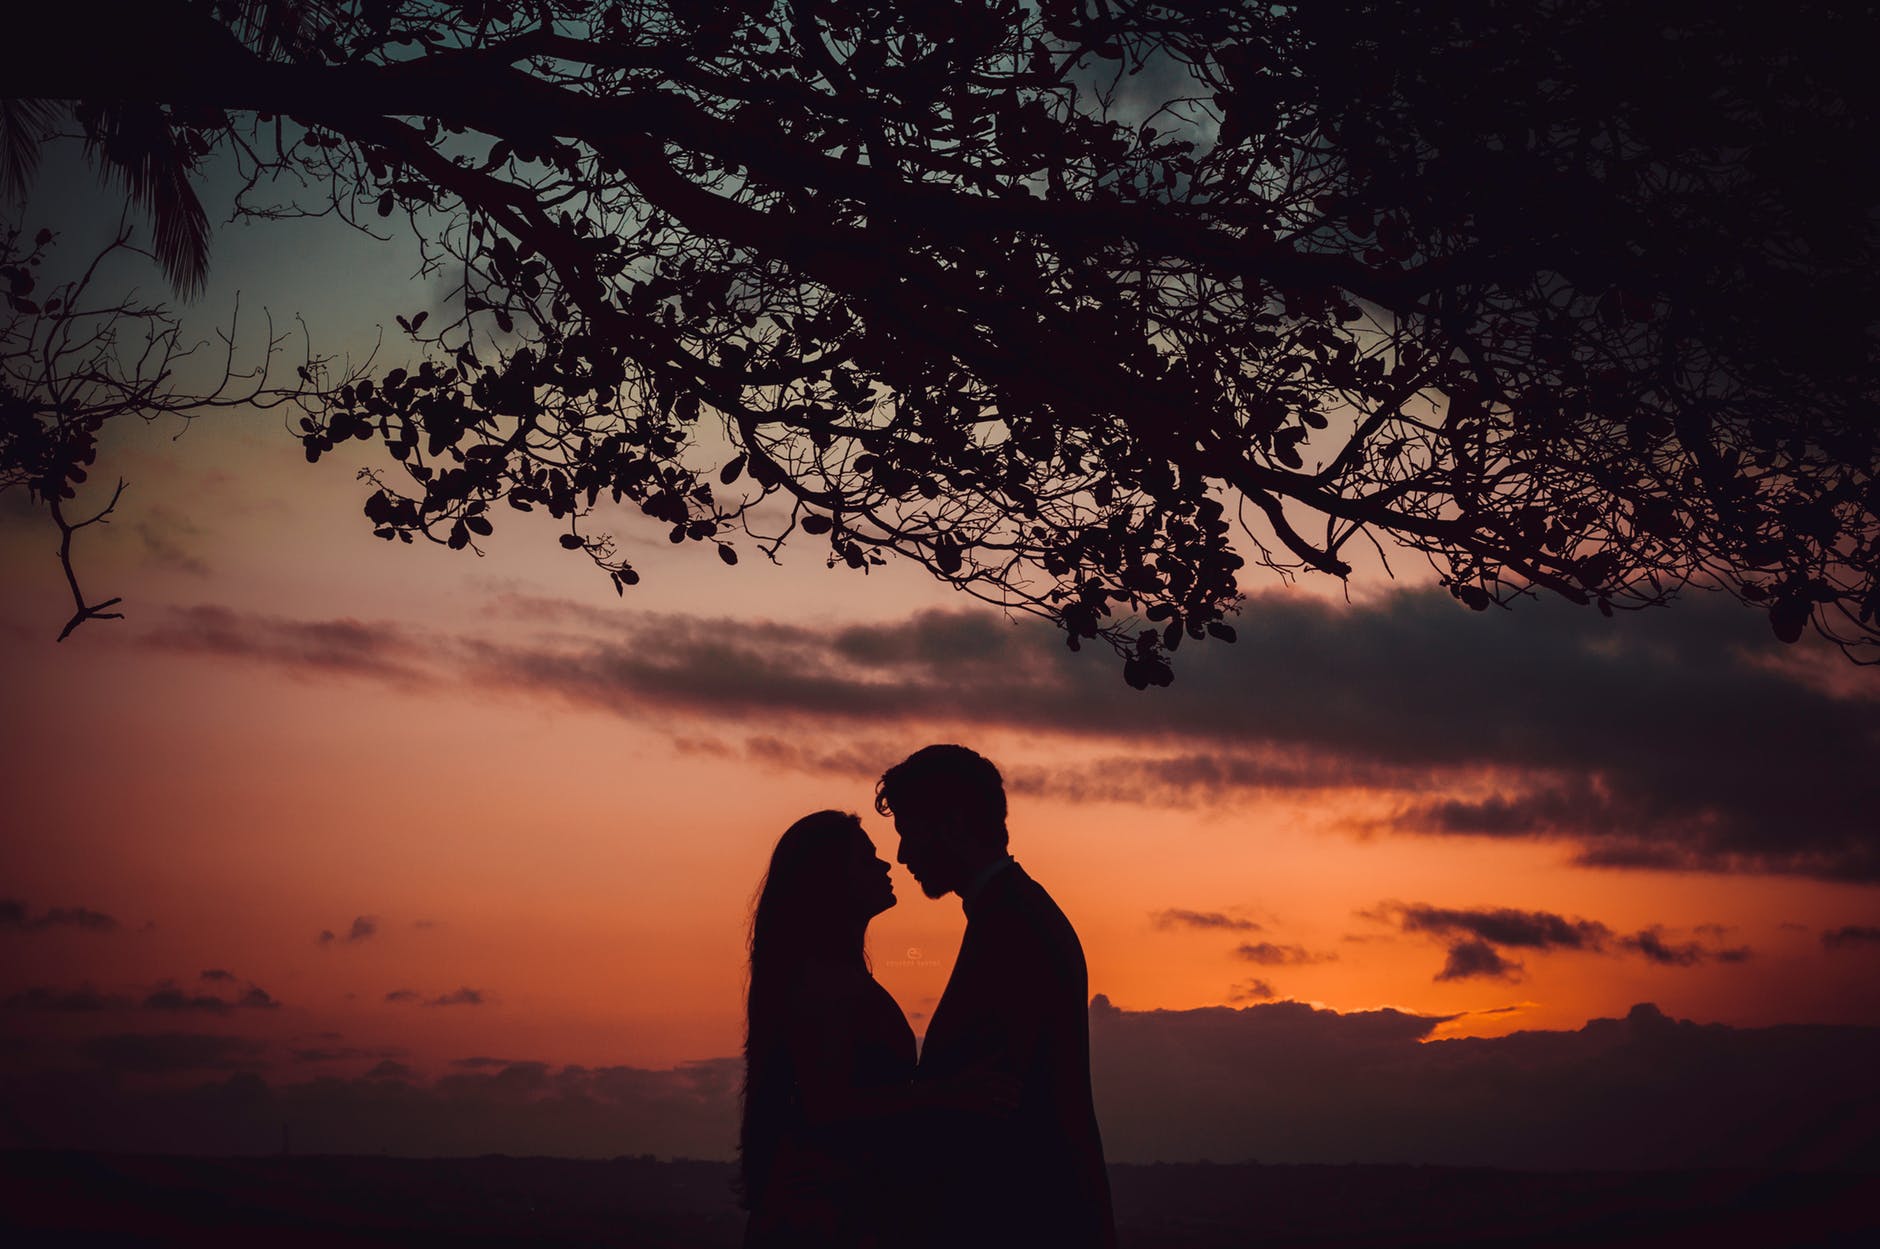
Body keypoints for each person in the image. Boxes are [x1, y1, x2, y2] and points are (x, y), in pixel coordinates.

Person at [877, 745, 1118, 1249]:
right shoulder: (1012, 911)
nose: (902, 856)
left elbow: (997, 1103)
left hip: (1020, 1218)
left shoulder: (1013, 923)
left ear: (953, 823)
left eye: (908, 833)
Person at [739, 809, 1014, 1248]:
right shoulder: (822, 983)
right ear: (830, 881)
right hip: (829, 1218)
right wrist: (947, 1093)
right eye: (867, 860)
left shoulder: (829, 977)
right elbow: (826, 1104)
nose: (887, 866)